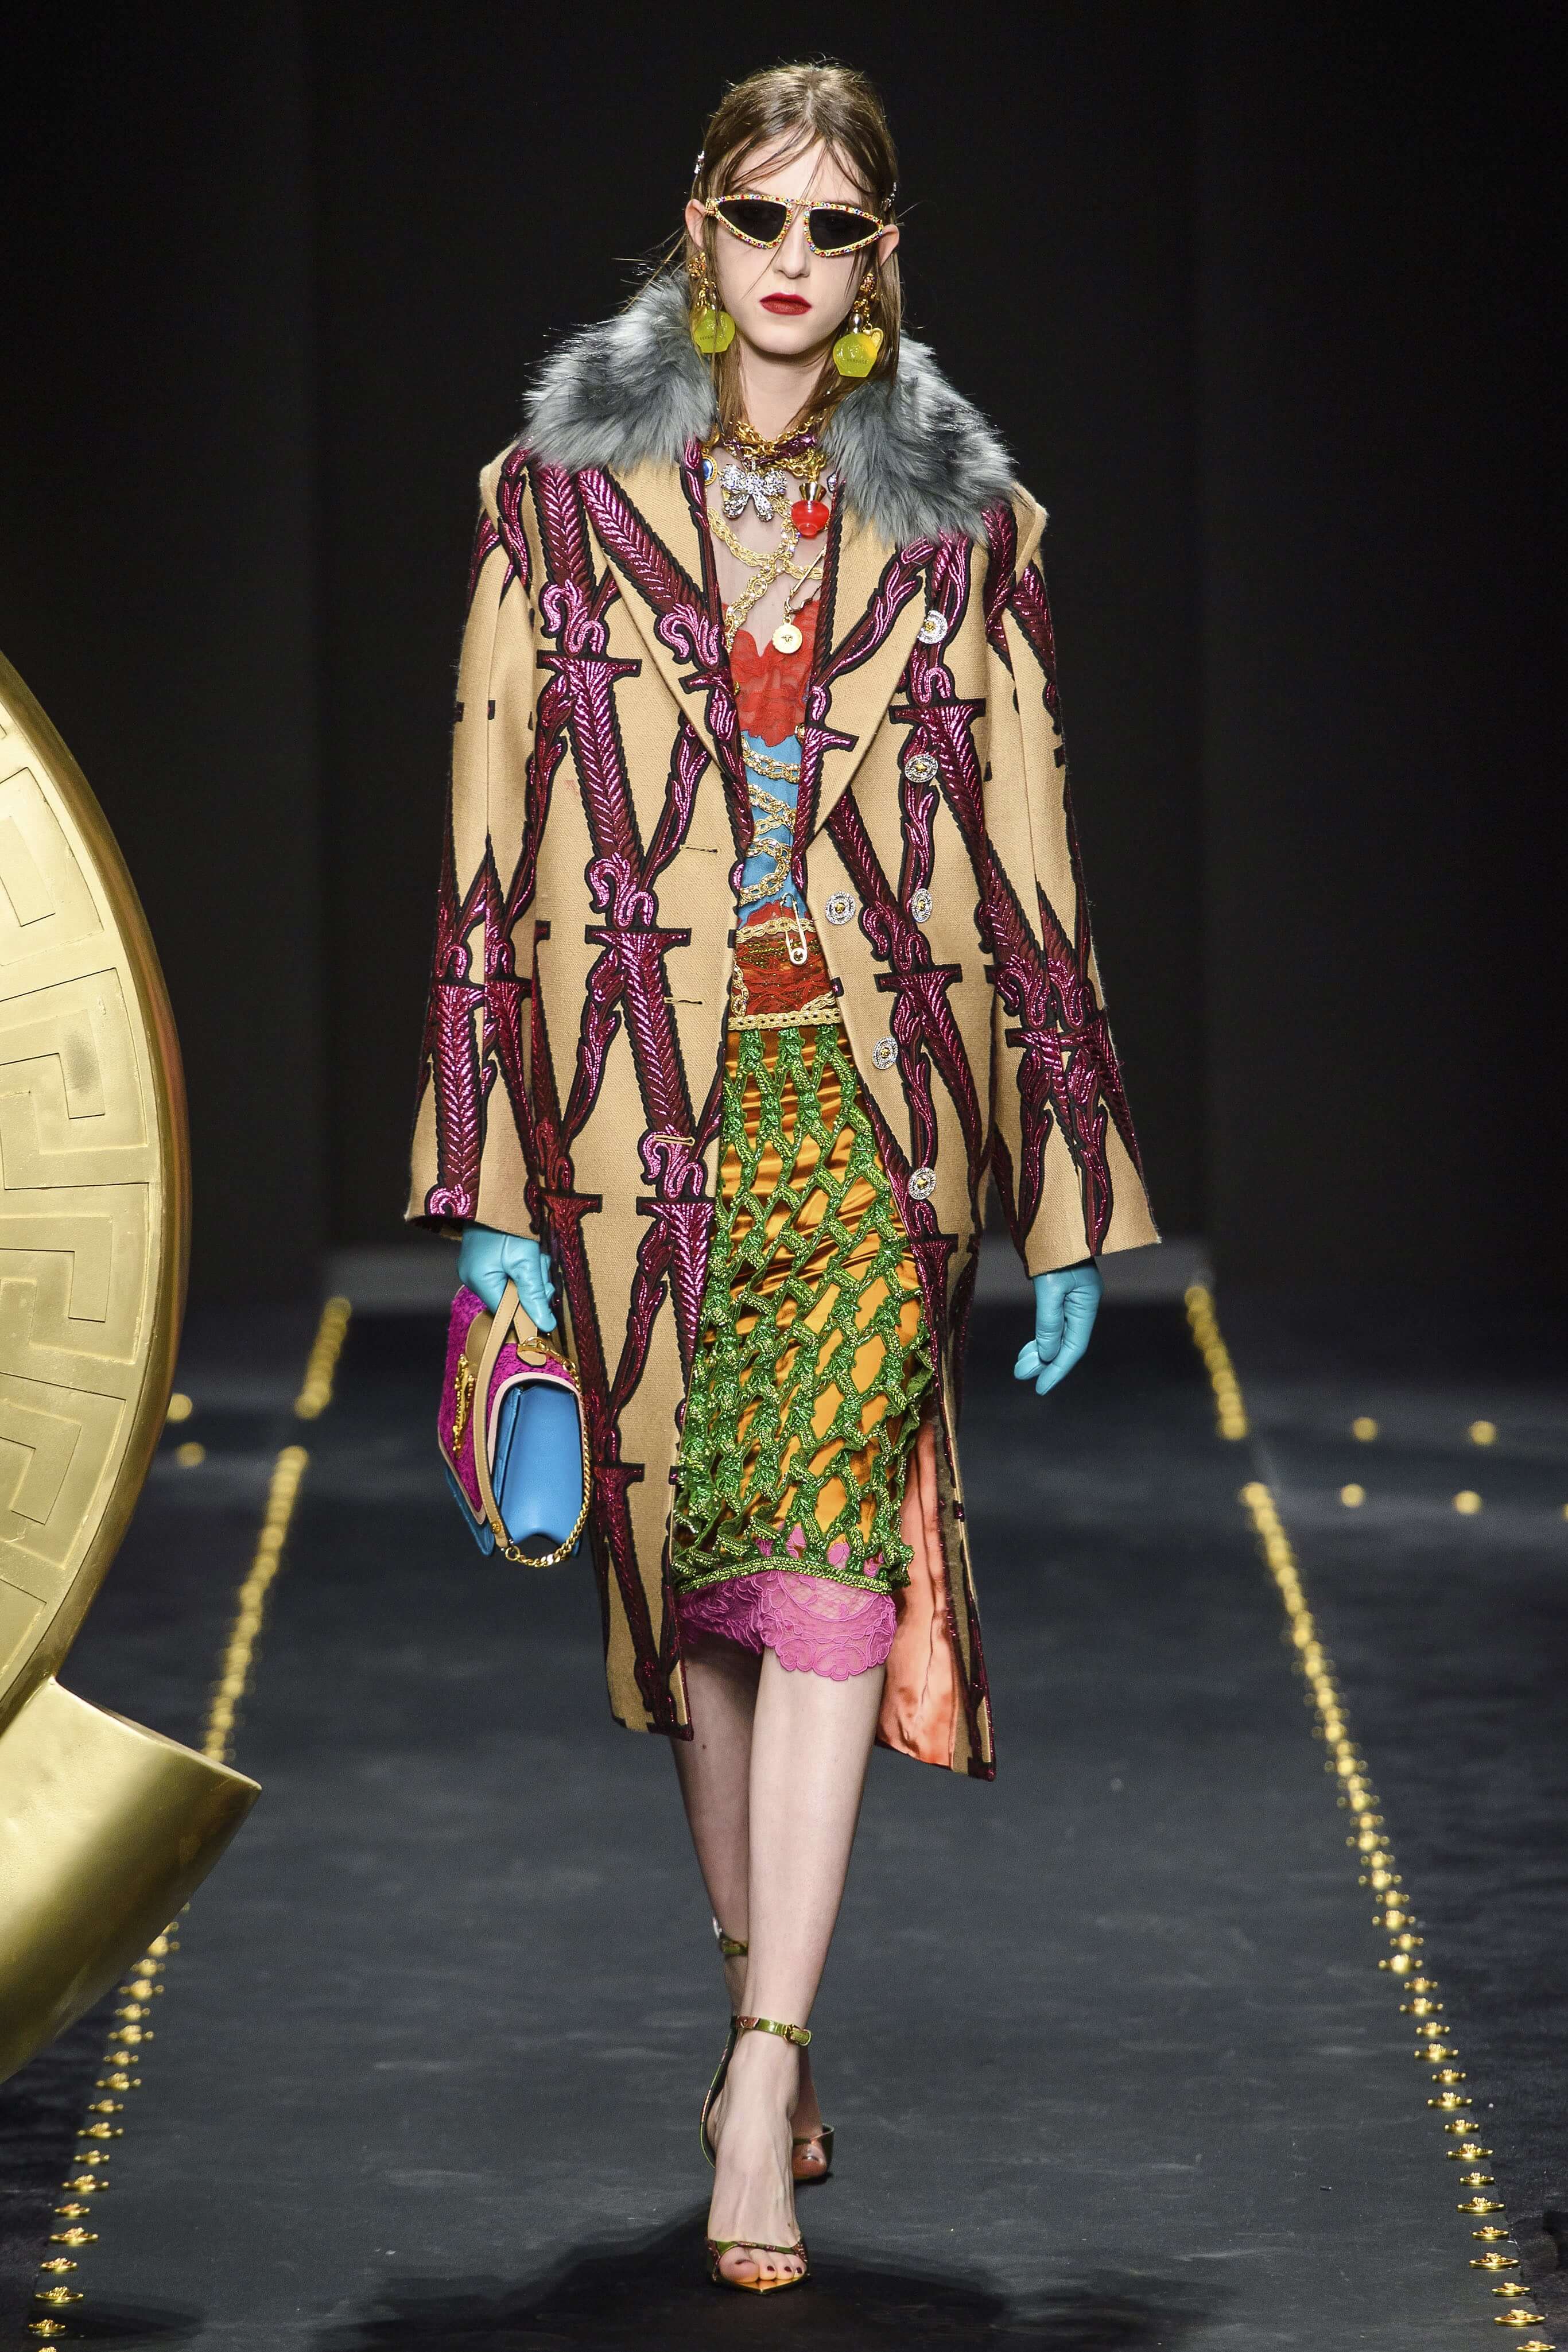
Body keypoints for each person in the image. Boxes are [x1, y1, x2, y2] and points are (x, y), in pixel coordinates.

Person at [409, 60, 1157, 2296]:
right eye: (761, 219)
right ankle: (763, 1987)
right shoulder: (553, 506)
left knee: (827, 1552)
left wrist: (1065, 1178)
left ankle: (757, 2062)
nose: (793, 264)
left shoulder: (967, 530)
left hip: (869, 1104)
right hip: (626, 1109)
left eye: (836, 229)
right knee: (698, 1593)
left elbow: (1028, 855)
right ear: (699, 227)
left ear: (880, 257)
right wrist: (485, 1186)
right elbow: (483, 861)